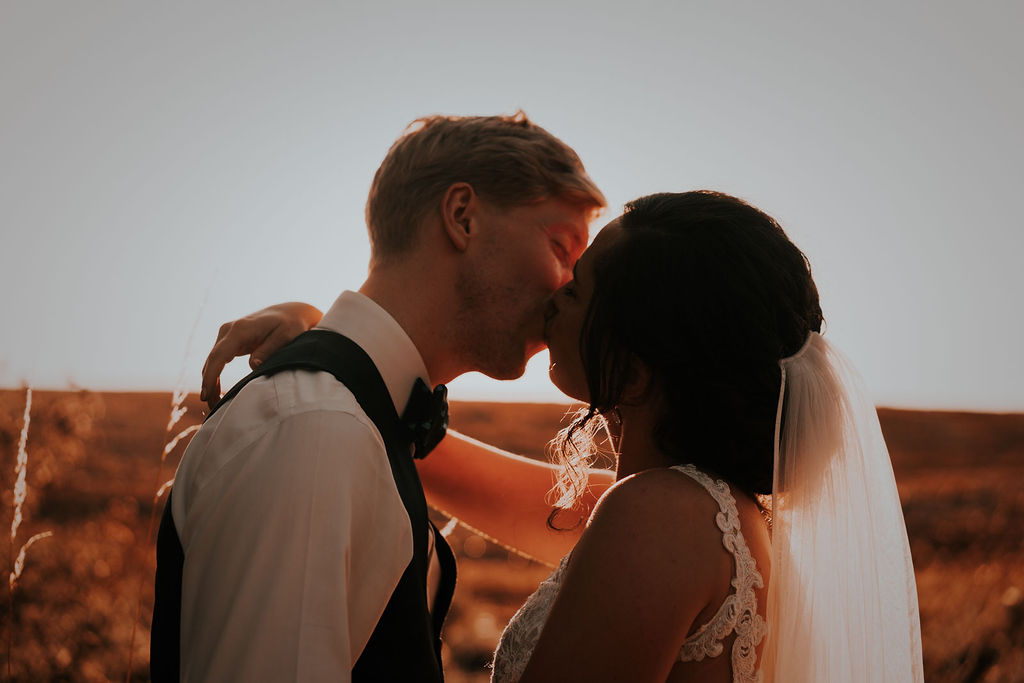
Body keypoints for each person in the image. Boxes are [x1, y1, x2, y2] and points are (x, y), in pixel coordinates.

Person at [203, 191, 925, 682]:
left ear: (636, 365)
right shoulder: (706, 511)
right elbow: (467, 474)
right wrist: (335, 342)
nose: (554, 295)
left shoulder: (658, 516)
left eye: (577, 288)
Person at [150, 112, 606, 682]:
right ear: (462, 216)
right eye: (562, 247)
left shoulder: (349, 421)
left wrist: (334, 349)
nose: (569, 289)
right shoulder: (313, 430)